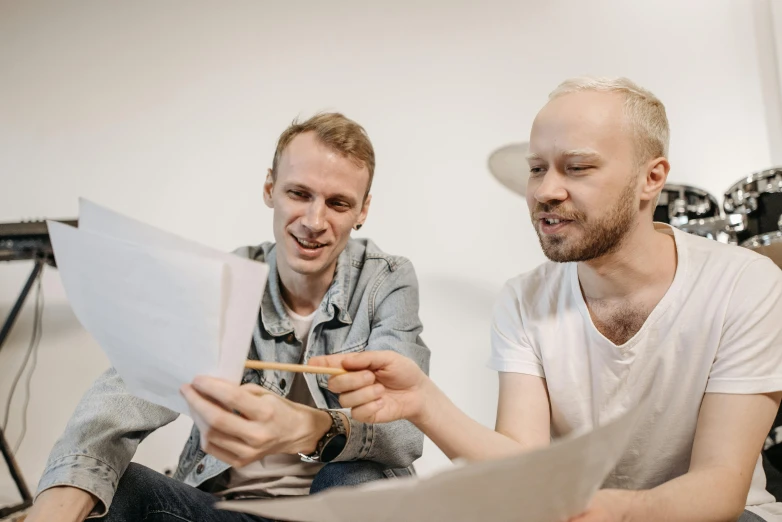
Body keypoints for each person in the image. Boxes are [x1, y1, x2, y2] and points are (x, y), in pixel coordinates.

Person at [313, 78, 782, 521]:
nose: (544, 191)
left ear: (651, 177)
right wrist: (423, 402)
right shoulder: (523, 299)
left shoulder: (744, 284)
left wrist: (610, 511)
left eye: (576, 168)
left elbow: (721, 486)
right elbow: (524, 465)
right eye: (537, 169)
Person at [28, 113, 430, 522]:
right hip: (227, 512)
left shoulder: (386, 280)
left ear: (363, 210)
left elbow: (404, 429)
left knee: (357, 478)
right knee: (117, 488)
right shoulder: (222, 280)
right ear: (270, 188)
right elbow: (124, 393)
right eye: (299, 194)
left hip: (331, 510)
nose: (313, 222)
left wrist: (308, 426)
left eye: (338, 203)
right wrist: (60, 496)